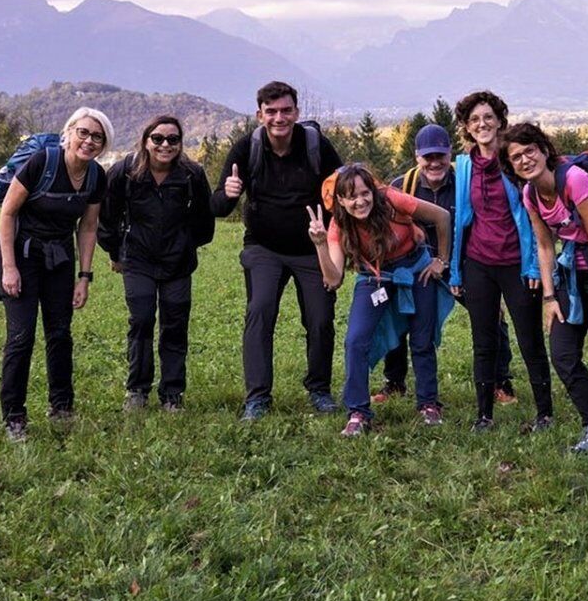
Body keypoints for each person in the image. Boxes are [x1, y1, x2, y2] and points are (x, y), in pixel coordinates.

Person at [505, 123, 588, 477]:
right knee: (564, 355)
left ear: (544, 149)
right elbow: (545, 245)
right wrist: (550, 297)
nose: (524, 160)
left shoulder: (576, 180)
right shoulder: (530, 194)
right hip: (572, 275)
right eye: (516, 157)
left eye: (529, 150)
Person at [212, 81, 344, 420]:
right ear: (260, 115)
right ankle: (257, 397)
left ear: (297, 113)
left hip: (311, 248)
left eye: (286, 110)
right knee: (260, 310)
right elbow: (217, 208)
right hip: (263, 247)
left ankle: (319, 390)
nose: (279, 117)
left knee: (320, 318)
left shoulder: (316, 146)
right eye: (271, 111)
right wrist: (228, 193)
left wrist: (333, 240)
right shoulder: (246, 149)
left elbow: (341, 194)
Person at [375, 123, 517, 405]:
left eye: (440, 155)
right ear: (417, 156)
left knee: (492, 317)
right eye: (428, 156)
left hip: (460, 263)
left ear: (449, 152)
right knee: (398, 316)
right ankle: (394, 381)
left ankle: (500, 382)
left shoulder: (465, 183)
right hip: (414, 265)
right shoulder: (401, 186)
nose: (434, 162)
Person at [306, 163, 453, 435]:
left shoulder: (391, 199)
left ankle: (428, 404)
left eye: (365, 193)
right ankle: (358, 413)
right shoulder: (339, 225)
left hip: (415, 269)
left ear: (373, 190)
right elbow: (333, 279)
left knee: (422, 339)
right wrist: (320, 245)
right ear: (340, 200)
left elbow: (442, 217)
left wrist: (441, 260)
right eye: (351, 196)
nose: (360, 201)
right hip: (374, 278)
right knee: (355, 341)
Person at [0, 107, 112, 442]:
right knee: (21, 337)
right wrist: (10, 266)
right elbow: (7, 213)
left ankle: (62, 407)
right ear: (69, 132)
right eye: (84, 133)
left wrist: (84, 276)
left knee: (60, 335)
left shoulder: (95, 177)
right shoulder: (42, 163)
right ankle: (14, 416)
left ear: (103, 144)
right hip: (23, 255)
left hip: (59, 259)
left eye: (97, 137)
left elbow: (88, 227)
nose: (89, 141)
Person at [449, 91, 554, 432]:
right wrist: (455, 268)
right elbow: (460, 218)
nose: (482, 124)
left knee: (529, 339)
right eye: (474, 120)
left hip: (517, 262)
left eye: (488, 117)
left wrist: (536, 266)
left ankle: (544, 414)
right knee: (484, 340)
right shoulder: (463, 164)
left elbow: (533, 215)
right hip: (478, 262)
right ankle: (484, 416)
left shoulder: (513, 160)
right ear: (466, 127)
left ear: (499, 121)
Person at [98, 116, 215, 413]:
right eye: (158, 138)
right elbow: (107, 216)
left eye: (173, 139)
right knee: (141, 321)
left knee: (175, 325)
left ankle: (172, 393)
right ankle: (137, 390)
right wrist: (115, 253)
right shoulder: (125, 171)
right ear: (146, 139)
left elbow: (204, 220)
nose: (165, 145)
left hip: (178, 262)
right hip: (137, 260)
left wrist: (187, 245)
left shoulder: (191, 174)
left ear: (180, 142)